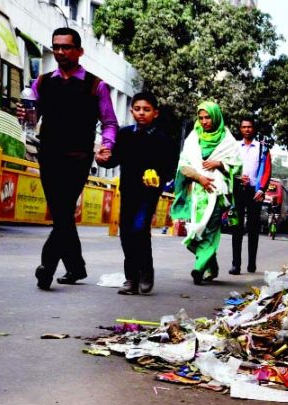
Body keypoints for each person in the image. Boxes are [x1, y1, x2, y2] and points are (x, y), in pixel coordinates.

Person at [19, 27, 118, 290]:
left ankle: (47, 266)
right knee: (62, 214)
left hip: (78, 157)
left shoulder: (96, 85)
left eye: (66, 47)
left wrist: (106, 146)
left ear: (79, 51)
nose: (61, 52)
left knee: (62, 211)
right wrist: (24, 114)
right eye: (57, 47)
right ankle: (76, 267)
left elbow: (109, 122)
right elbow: (31, 117)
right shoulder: (42, 83)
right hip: (48, 155)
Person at [99, 92, 179, 295]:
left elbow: (170, 168)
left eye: (146, 109)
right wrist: (102, 159)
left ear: (155, 113)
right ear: (131, 110)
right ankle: (131, 279)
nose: (141, 113)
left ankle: (146, 272)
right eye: (137, 109)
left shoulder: (163, 139)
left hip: (149, 194)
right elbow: (114, 159)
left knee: (139, 229)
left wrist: (158, 177)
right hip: (127, 191)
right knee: (126, 234)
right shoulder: (125, 135)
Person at [170, 102, 241, 285]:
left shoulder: (228, 141)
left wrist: (219, 164)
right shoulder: (194, 138)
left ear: (216, 116)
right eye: (201, 118)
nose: (204, 121)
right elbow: (183, 165)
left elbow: (237, 166)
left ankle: (199, 267)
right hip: (197, 193)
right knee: (197, 231)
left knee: (209, 229)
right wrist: (199, 177)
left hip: (217, 192)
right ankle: (212, 265)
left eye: (207, 117)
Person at [229, 116, 272, 275]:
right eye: (244, 127)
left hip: (255, 193)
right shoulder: (234, 147)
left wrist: (261, 190)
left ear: (254, 129)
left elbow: (267, 169)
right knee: (236, 227)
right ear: (240, 129)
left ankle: (251, 263)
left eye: (250, 127)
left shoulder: (262, 148)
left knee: (253, 229)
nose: (247, 129)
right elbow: (228, 167)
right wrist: (237, 178)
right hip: (238, 191)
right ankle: (236, 265)